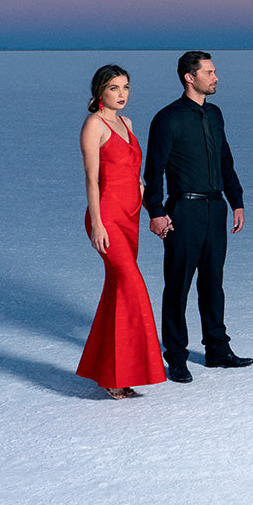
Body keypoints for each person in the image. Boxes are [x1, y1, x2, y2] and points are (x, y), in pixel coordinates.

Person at [143, 51, 252, 383]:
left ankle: (218, 349)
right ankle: (176, 356)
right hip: (183, 210)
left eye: (214, 71)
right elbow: (153, 171)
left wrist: (236, 200)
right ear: (190, 77)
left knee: (213, 282)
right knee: (178, 285)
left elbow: (225, 161)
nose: (216, 77)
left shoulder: (215, 114)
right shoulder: (168, 118)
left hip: (215, 207)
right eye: (209, 72)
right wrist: (157, 212)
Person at [77, 65, 167, 399]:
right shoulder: (93, 125)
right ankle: (118, 374)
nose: (122, 94)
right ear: (100, 91)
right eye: (114, 88)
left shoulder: (127, 124)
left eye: (126, 87)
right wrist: (97, 223)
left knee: (117, 293)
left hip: (130, 217)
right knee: (131, 287)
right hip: (108, 217)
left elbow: (136, 179)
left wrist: (155, 214)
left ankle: (107, 371)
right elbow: (90, 179)